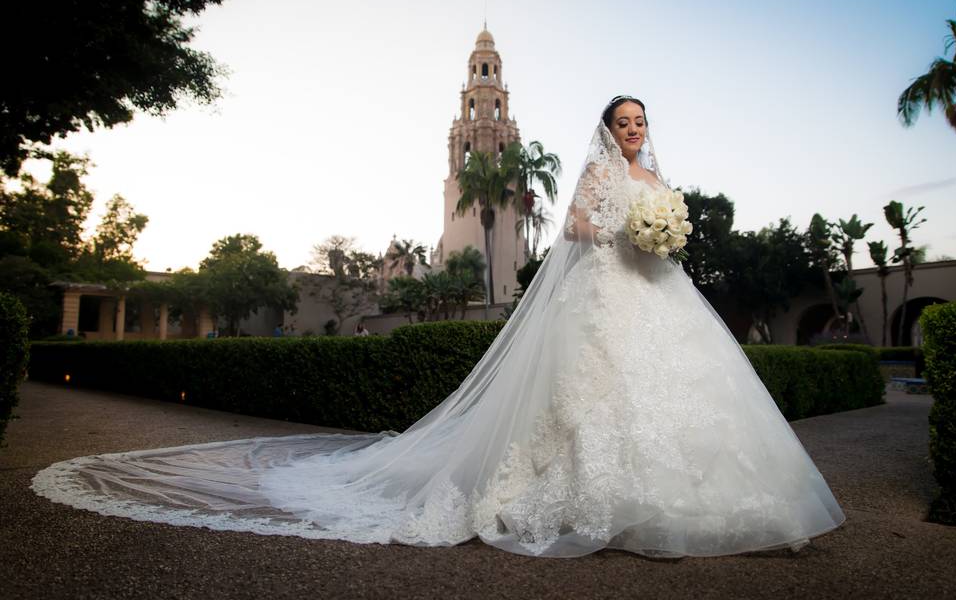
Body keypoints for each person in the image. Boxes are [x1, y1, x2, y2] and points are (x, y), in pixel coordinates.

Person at [32, 96, 844, 558]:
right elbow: (571, 230)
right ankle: (580, 504)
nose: (634, 131)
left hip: (656, 297)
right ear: (607, 129)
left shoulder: (655, 177)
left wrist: (662, 231)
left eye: (640, 122)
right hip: (605, 295)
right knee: (597, 397)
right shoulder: (598, 173)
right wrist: (627, 232)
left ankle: (683, 505)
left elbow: (657, 233)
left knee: (681, 395)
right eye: (624, 122)